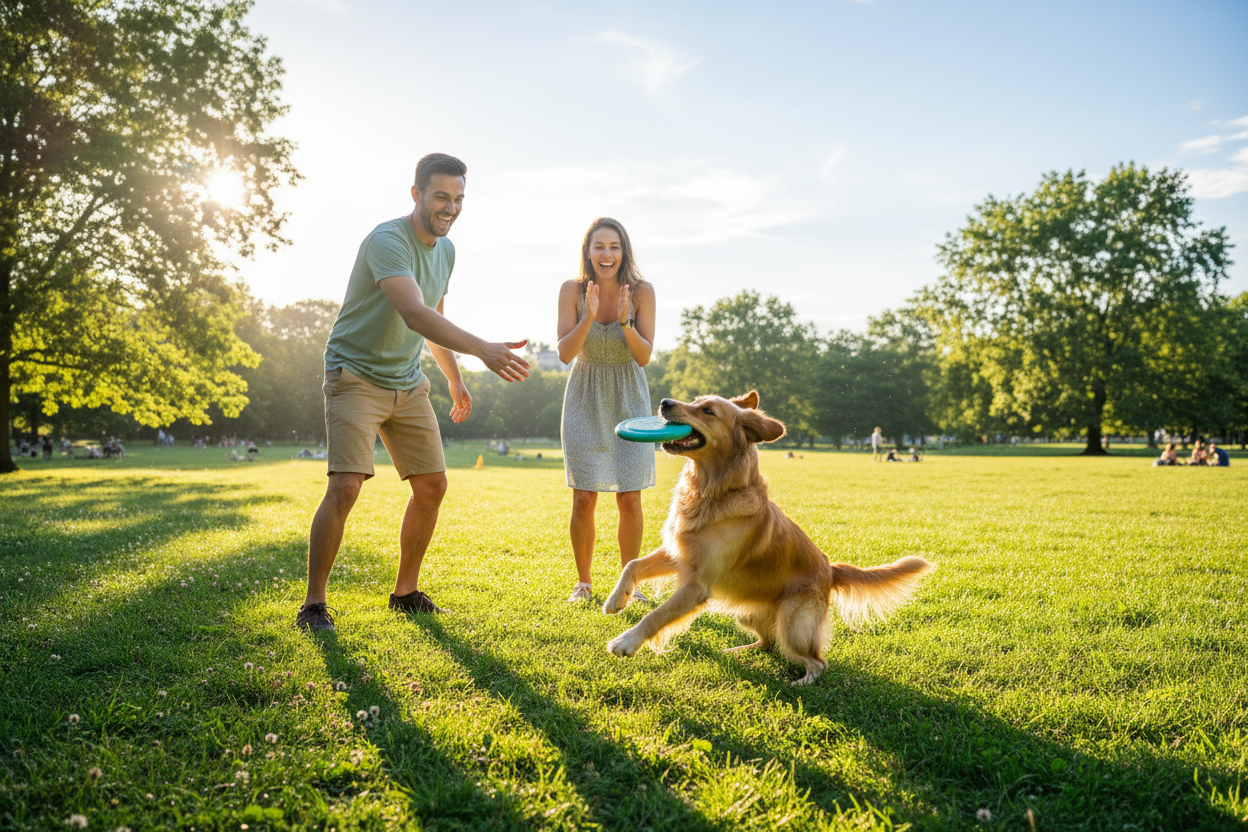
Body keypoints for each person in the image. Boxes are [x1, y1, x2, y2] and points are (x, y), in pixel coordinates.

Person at [295, 153, 531, 633]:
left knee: (432, 485)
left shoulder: (446, 251)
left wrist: (455, 378)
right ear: (416, 194)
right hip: (355, 375)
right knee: (346, 485)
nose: (451, 208)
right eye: (441, 196)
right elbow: (414, 314)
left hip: (406, 379)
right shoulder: (387, 240)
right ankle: (313, 605)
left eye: (458, 198)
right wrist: (483, 349)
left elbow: (434, 315)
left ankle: (405, 593)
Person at [557, 217, 657, 603]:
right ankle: (583, 584)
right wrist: (589, 314)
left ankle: (629, 583)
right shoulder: (572, 290)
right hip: (584, 397)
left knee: (629, 498)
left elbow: (644, 357)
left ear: (624, 251)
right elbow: (565, 353)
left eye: (614, 246)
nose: (607, 254)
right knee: (583, 497)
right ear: (588, 251)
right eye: (599, 246)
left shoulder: (642, 292)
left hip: (629, 398)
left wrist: (625, 320)